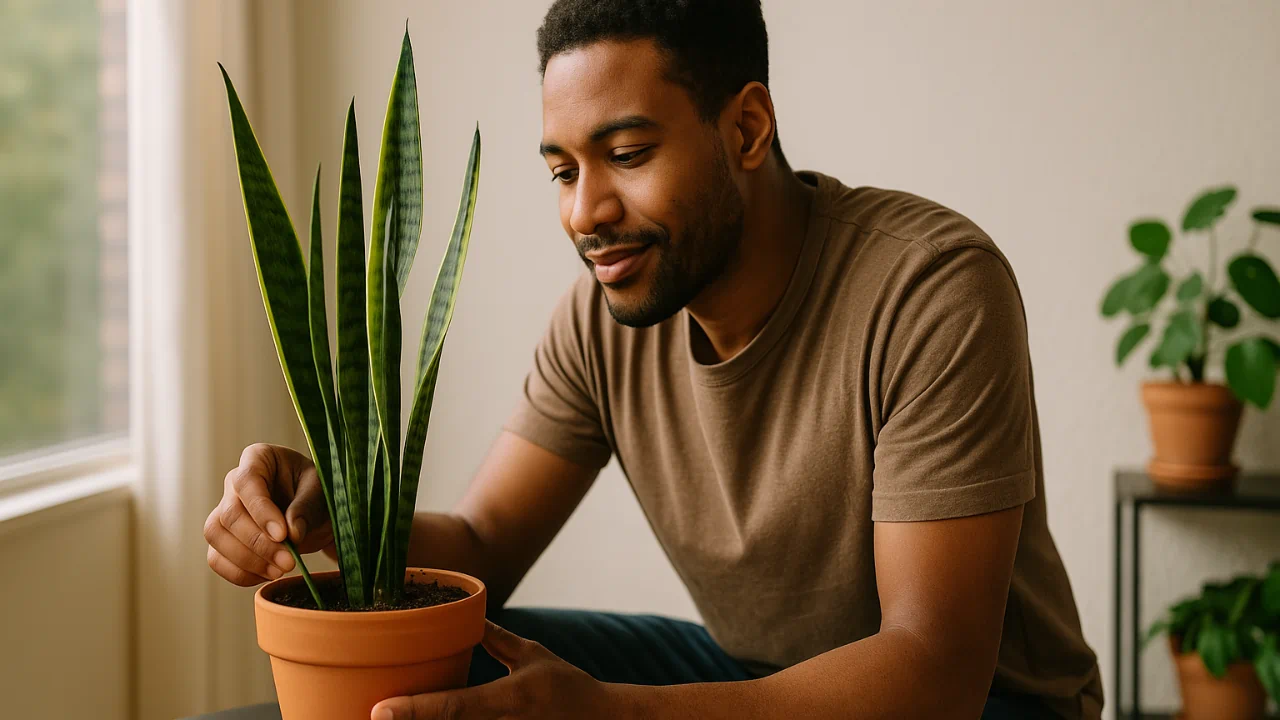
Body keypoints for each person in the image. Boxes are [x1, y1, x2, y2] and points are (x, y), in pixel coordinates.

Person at [204, 1, 1104, 718]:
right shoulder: (601, 323)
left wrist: (619, 714)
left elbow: (933, 670)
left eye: (626, 154)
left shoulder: (931, 288)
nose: (585, 212)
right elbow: (481, 546)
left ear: (747, 129)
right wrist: (332, 513)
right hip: (751, 672)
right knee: (450, 645)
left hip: (983, 704)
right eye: (562, 170)